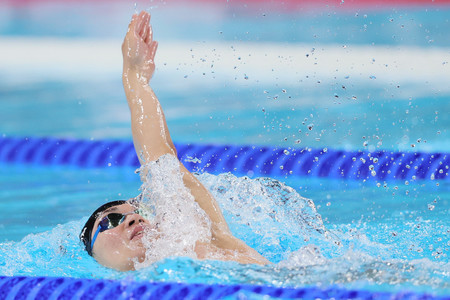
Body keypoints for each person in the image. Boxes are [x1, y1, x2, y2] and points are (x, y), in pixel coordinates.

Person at [80, 11, 269, 271]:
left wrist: (134, 76)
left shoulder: (196, 241)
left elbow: (162, 162)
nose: (134, 218)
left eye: (143, 212)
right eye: (111, 220)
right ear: (93, 257)